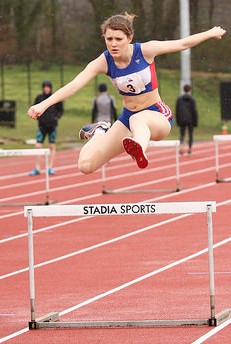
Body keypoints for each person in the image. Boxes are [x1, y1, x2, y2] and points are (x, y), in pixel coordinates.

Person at [28, 13, 226, 174]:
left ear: (129, 38)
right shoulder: (103, 61)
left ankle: (138, 148)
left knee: (138, 120)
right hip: (126, 118)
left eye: (118, 39)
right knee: (86, 166)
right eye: (109, 39)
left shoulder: (145, 51)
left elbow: (182, 44)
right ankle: (99, 131)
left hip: (156, 115)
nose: (113, 44)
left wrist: (210, 32)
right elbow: (74, 85)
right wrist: (43, 105)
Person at [29, 80, 63, 176]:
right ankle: (37, 168)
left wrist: (56, 117)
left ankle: (50, 167)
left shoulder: (55, 97)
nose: (46, 88)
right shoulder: (39, 97)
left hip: (52, 125)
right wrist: (37, 117)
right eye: (45, 87)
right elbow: (34, 108)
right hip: (42, 125)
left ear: (50, 88)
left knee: (52, 146)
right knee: (38, 146)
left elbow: (61, 110)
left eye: (48, 87)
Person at [175, 84, 198, 156]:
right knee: (190, 134)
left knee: (182, 134)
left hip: (182, 119)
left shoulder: (179, 99)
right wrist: (195, 121)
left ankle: (181, 146)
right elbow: (194, 111)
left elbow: (177, 110)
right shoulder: (192, 99)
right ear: (190, 90)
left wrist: (178, 120)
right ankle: (190, 149)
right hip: (190, 119)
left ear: (184, 90)